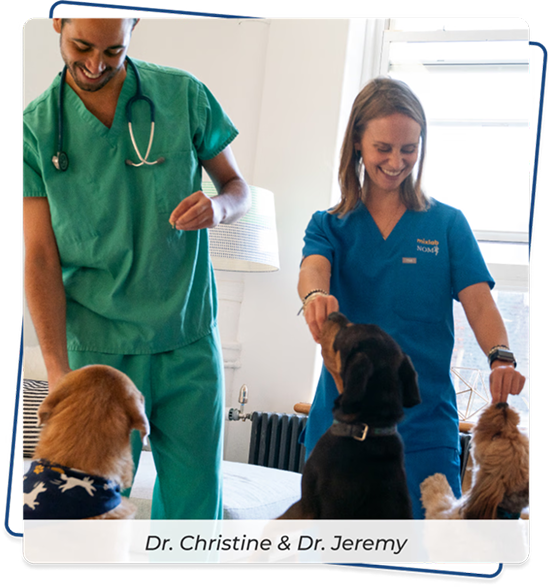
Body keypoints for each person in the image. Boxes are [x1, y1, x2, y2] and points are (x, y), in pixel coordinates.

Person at [22, 17, 251, 520]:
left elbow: (238, 188)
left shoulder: (183, 95)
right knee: (86, 512)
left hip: (186, 336)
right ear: (57, 22)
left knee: (195, 511)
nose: (95, 64)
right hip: (97, 353)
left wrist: (219, 208)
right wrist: (59, 372)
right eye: (81, 46)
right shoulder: (35, 129)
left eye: (113, 51)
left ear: (135, 27)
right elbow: (39, 257)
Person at [298, 77, 526, 519]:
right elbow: (313, 269)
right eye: (383, 148)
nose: (397, 161)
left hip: (424, 434)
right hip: (342, 433)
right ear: (358, 142)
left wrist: (501, 357)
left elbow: (480, 304)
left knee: (424, 549)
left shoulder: (447, 225)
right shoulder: (329, 225)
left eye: (409, 148)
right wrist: (315, 295)